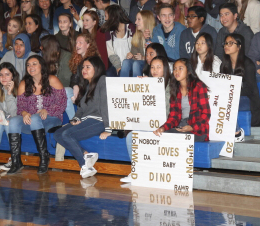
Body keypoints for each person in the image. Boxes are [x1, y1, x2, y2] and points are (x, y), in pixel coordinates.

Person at [7, 55, 67, 174]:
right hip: (32, 122)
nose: (31, 67)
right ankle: (16, 161)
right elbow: (20, 107)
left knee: (34, 118)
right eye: (28, 65)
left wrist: (47, 110)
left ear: (41, 66)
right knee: (13, 121)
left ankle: (44, 158)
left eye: (34, 64)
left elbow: (62, 103)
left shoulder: (52, 80)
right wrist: (24, 113)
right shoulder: (24, 84)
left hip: (52, 118)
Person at [54, 56, 110, 178]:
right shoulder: (89, 86)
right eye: (83, 67)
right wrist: (75, 119)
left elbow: (105, 105)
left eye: (88, 67)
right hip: (87, 120)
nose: (84, 69)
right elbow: (81, 109)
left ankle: (85, 165)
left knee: (66, 134)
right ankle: (86, 155)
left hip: (98, 121)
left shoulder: (103, 80)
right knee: (57, 134)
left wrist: (108, 128)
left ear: (97, 68)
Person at [120, 54, 172, 183]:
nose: (154, 70)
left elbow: (165, 108)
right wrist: (140, 88)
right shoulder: (147, 82)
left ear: (165, 69)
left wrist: (152, 87)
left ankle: (141, 171)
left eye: (158, 67)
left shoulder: (171, 85)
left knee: (133, 136)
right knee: (130, 136)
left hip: (165, 123)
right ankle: (136, 171)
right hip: (148, 122)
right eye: (152, 67)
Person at [154, 58, 210, 141]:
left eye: (180, 68)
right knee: (160, 136)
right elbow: (173, 116)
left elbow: (206, 113)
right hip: (180, 126)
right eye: (175, 69)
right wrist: (163, 128)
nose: (177, 71)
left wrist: (192, 127)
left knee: (176, 139)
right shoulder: (174, 88)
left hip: (197, 130)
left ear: (189, 71)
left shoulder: (198, 86)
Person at [220, 33, 260, 131]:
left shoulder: (248, 64)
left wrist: (231, 92)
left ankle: (236, 132)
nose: (226, 46)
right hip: (232, 98)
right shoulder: (224, 65)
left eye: (230, 43)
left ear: (239, 46)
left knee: (228, 102)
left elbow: (250, 90)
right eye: (225, 43)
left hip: (248, 100)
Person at [0, 63, 20, 173]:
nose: (4, 78)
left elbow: (14, 113)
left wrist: (10, 94)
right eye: (1, 75)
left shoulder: (19, 87)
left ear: (13, 76)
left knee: (8, 123)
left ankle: (12, 159)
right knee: (0, 123)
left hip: (18, 118)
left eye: (7, 75)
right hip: (5, 118)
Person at [40, 35, 74, 120]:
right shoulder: (44, 59)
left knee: (64, 92)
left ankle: (73, 120)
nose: (40, 48)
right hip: (51, 90)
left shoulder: (66, 56)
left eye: (42, 46)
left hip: (69, 88)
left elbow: (66, 80)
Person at [102, 5, 136, 76]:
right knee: (108, 73)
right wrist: (118, 67)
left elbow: (136, 47)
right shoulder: (108, 32)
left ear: (113, 17)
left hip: (131, 63)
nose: (105, 19)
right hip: (116, 65)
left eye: (106, 16)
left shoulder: (131, 28)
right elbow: (111, 53)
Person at [119, 10, 154, 77]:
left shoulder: (155, 35)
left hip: (150, 64)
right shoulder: (137, 36)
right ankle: (122, 85)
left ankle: (138, 85)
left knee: (136, 64)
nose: (135, 22)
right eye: (136, 19)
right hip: (139, 62)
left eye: (139, 19)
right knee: (126, 62)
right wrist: (131, 55)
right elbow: (134, 55)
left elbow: (157, 56)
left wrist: (143, 58)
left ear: (146, 20)